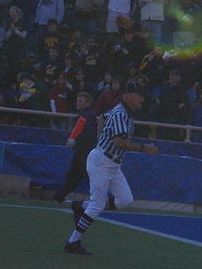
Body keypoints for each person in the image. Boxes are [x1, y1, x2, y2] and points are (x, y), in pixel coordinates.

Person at [63, 88, 158, 255]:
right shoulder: (121, 113)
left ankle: (81, 206)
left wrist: (101, 138)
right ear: (129, 95)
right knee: (98, 204)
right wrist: (143, 148)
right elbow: (118, 140)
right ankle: (73, 241)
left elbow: (102, 119)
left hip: (112, 162)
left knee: (125, 199)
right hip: (103, 161)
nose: (142, 100)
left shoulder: (122, 112)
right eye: (139, 95)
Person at [51, 91, 96, 204]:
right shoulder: (85, 115)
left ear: (87, 103)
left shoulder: (87, 116)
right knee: (75, 175)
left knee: (80, 175)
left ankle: (59, 197)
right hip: (82, 150)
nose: (78, 103)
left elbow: (88, 134)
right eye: (78, 100)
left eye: (80, 101)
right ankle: (58, 197)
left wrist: (75, 141)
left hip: (85, 151)